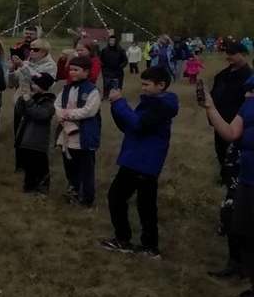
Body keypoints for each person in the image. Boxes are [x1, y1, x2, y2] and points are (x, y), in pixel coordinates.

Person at [99, 67, 178, 258]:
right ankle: (148, 246)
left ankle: (126, 240)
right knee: (144, 204)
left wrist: (120, 103)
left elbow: (138, 125)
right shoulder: (152, 103)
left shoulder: (161, 106)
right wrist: (115, 106)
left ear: (161, 85)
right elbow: (128, 126)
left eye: (146, 84)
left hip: (142, 160)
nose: (143, 88)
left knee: (119, 197)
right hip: (138, 158)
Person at [202, 73, 254, 297]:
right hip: (246, 180)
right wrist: (210, 107)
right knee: (244, 232)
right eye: (249, 91)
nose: (248, 94)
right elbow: (231, 133)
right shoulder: (248, 105)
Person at [208, 41, 253, 278]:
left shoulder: (247, 78)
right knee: (235, 214)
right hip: (240, 165)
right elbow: (231, 132)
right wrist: (210, 109)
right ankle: (237, 265)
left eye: (232, 54)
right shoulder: (226, 77)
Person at [55, 55, 102, 206]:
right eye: (71, 70)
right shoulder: (67, 89)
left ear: (86, 72)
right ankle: (73, 192)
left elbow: (89, 110)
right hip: (67, 133)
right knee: (70, 165)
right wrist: (60, 114)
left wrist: (69, 114)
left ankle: (87, 198)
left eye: (76, 70)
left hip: (84, 135)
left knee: (86, 169)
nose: (72, 73)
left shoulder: (92, 90)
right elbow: (57, 104)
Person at [13, 72, 57, 193]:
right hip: (26, 139)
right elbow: (20, 111)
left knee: (40, 166)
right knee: (29, 167)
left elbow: (41, 114)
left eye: (35, 84)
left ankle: (42, 190)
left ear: (43, 86)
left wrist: (29, 101)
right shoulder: (33, 97)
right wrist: (22, 99)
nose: (32, 86)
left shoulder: (49, 101)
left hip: (38, 142)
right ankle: (28, 188)